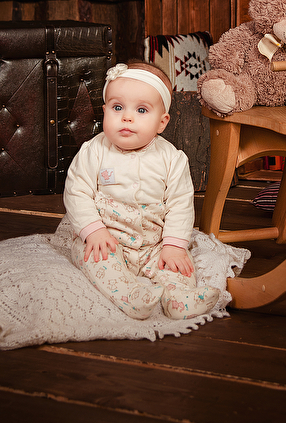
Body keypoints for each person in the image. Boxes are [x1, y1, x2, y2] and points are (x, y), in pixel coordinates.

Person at [63, 60, 220, 321]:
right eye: (117, 107)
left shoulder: (172, 158)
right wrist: (94, 230)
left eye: (141, 110)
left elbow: (180, 205)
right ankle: (130, 296)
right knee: (94, 257)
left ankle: (179, 298)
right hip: (108, 237)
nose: (127, 117)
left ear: (161, 122)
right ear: (104, 111)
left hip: (154, 242)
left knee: (177, 265)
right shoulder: (94, 151)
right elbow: (77, 193)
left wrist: (173, 246)